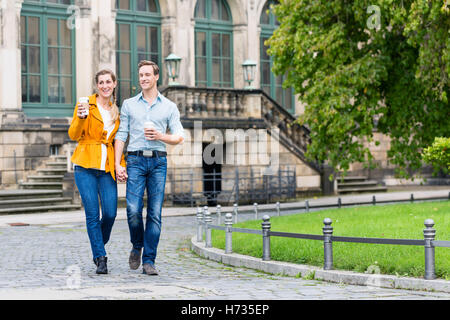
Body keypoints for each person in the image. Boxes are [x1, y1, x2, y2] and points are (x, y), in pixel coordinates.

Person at [114, 60, 184, 275]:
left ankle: (149, 260)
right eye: (141, 75)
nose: (143, 78)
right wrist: (118, 163)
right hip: (134, 160)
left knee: (154, 213)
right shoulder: (128, 104)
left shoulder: (169, 106)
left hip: (158, 162)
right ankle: (137, 245)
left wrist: (161, 136)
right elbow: (121, 135)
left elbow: (179, 136)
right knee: (133, 210)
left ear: (156, 77)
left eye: (147, 75)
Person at [68, 69, 125, 274]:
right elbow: (74, 134)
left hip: (107, 166)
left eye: (108, 82)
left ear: (114, 84)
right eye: (101, 82)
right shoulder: (85, 105)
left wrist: (121, 164)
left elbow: (118, 142)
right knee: (93, 214)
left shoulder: (116, 110)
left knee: (110, 213)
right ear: (97, 85)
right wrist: (81, 117)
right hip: (85, 166)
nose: (104, 86)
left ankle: (97, 243)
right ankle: (101, 258)